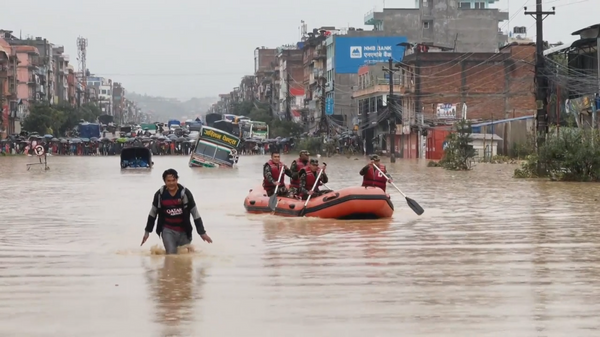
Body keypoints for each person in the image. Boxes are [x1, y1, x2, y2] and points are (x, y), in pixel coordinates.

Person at [141, 169, 212, 254]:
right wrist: (147, 232)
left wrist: (202, 233)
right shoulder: (160, 195)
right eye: (168, 181)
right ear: (164, 181)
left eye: (173, 180)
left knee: (185, 257)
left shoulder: (185, 194)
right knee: (171, 254)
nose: (171, 183)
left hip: (184, 230)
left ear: (177, 180)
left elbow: (195, 213)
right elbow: (153, 213)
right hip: (167, 229)